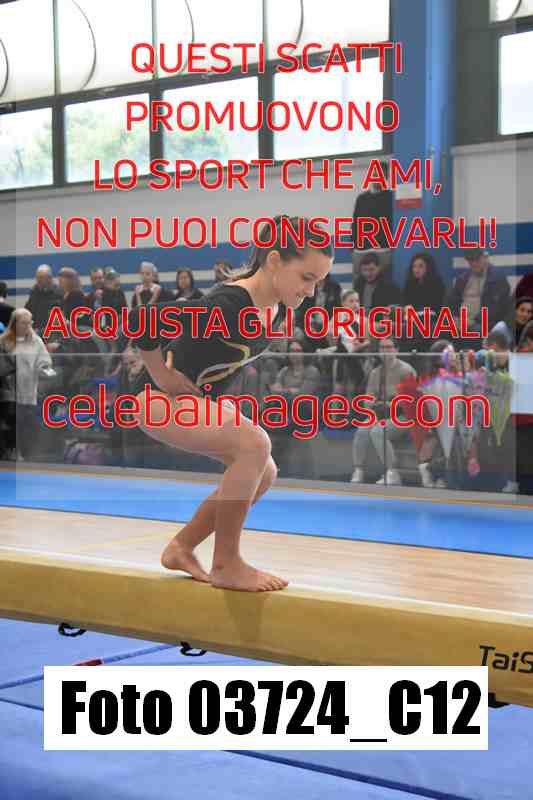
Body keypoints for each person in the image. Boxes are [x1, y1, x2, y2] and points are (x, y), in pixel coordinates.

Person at [130, 216, 333, 592]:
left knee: (264, 471)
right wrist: (162, 376)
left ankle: (181, 547)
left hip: (189, 401)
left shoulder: (277, 308)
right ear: (274, 260)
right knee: (254, 444)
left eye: (318, 282)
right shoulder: (231, 303)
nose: (311, 291)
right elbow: (143, 320)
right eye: (306, 278)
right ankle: (226, 563)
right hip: (155, 399)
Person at [0, 308, 54, 461]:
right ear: (15, 324)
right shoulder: (3, 341)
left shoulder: (36, 341)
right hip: (9, 391)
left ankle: (24, 453)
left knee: (26, 423)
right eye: (24, 323)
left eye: (29, 323)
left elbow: (44, 360)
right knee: (12, 422)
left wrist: (45, 368)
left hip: (29, 390)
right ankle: (12, 452)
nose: (27, 326)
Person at [24, 264, 63, 333]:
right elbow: (28, 311)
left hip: (52, 332)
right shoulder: (34, 292)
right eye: (37, 277)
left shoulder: (59, 293)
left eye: (41, 277)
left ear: (49, 278)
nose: (38, 280)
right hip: (36, 331)